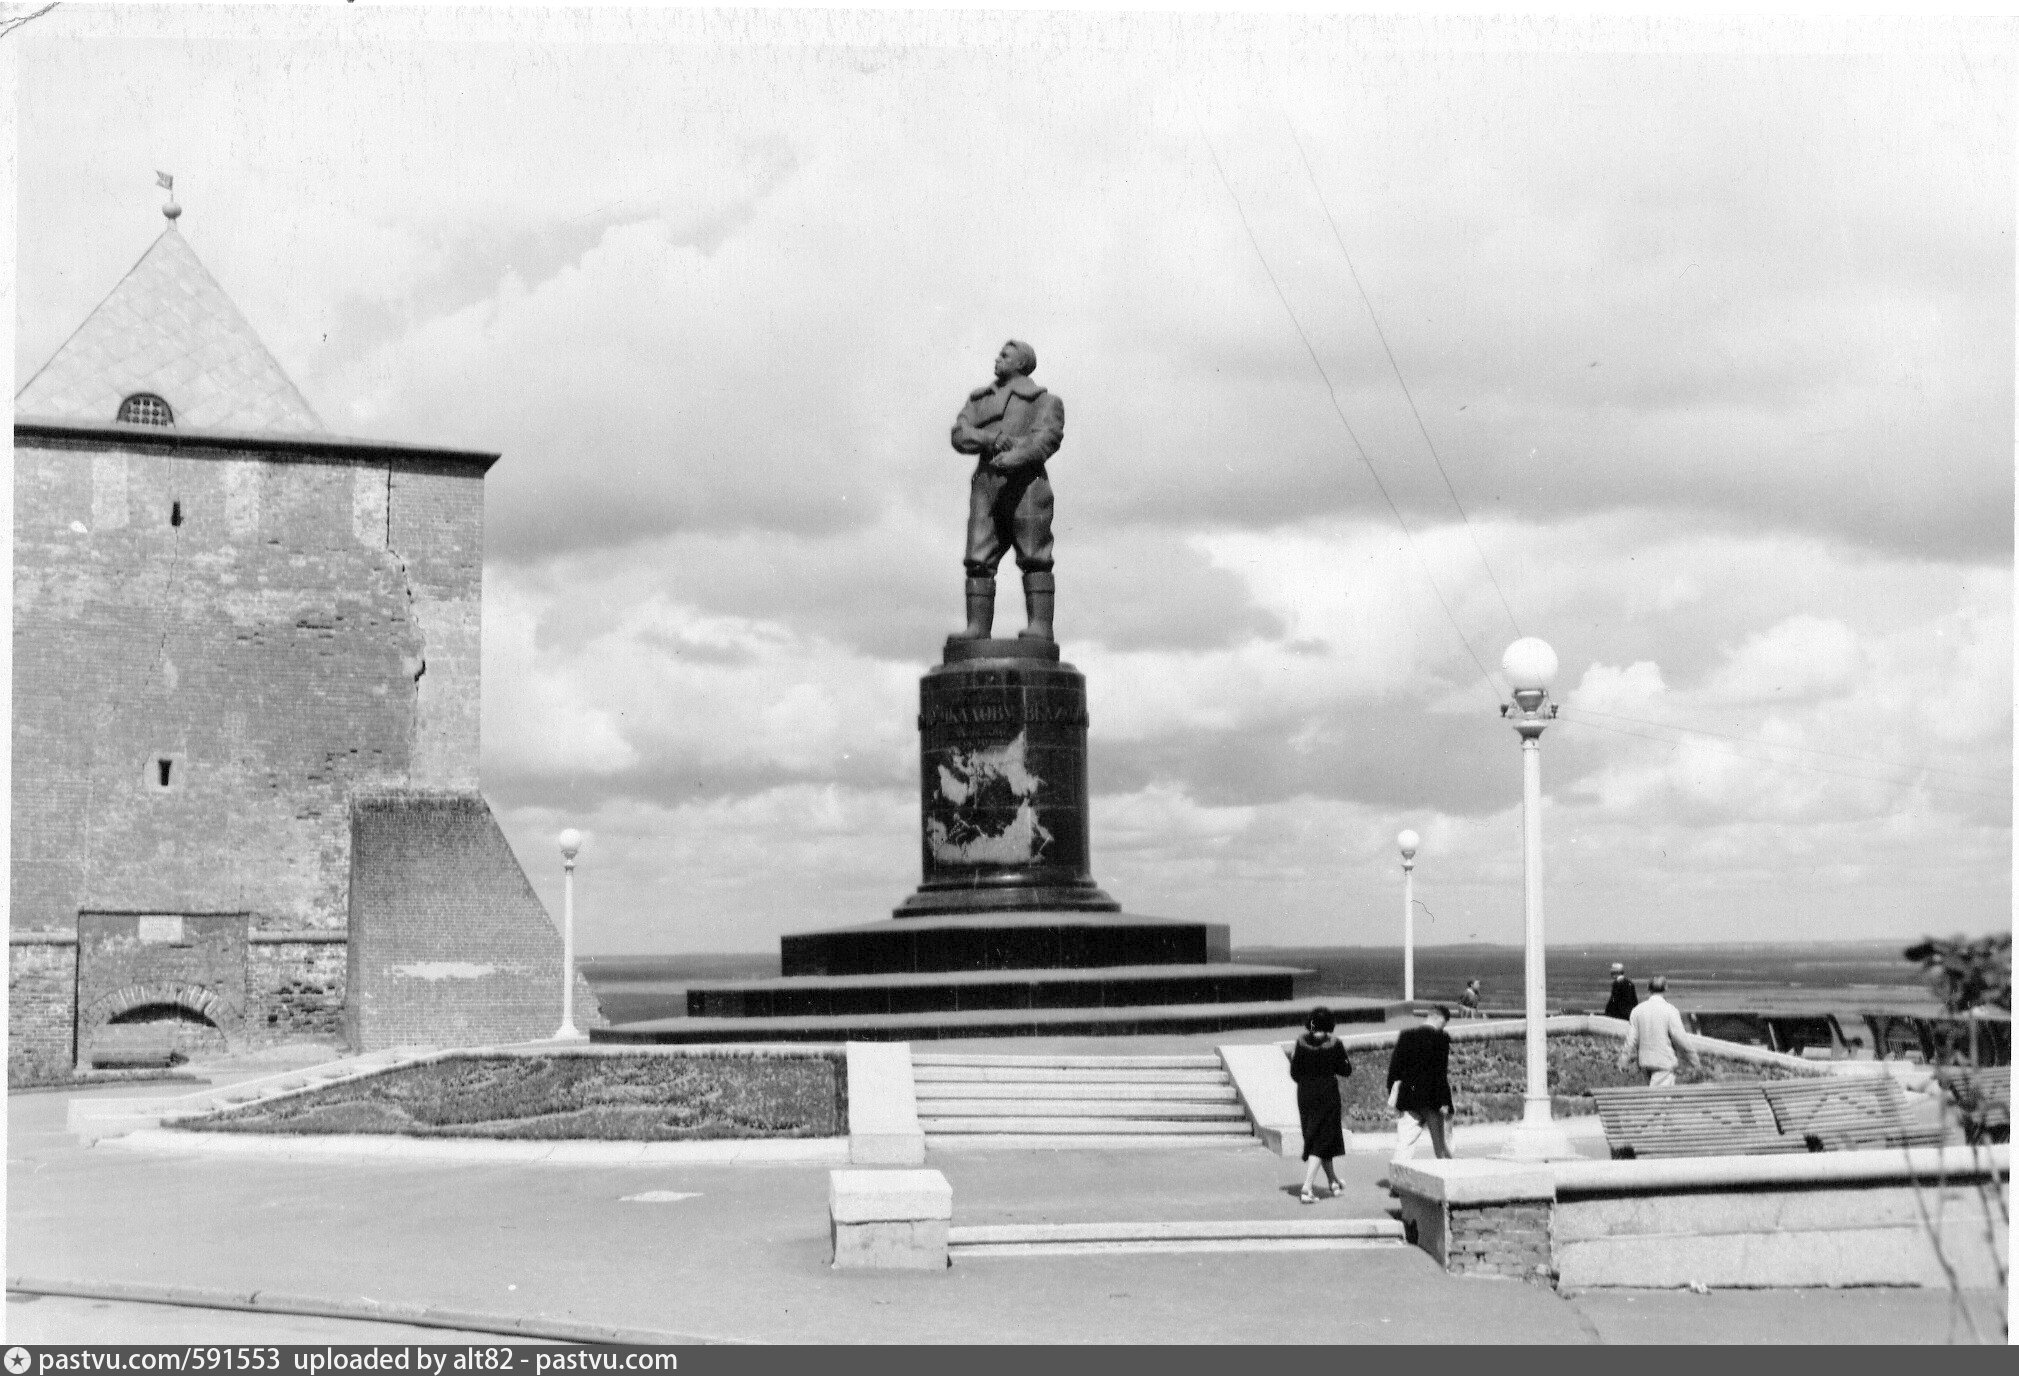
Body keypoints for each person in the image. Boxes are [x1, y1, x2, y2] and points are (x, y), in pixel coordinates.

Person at [949, 339, 1064, 643]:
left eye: (1005, 355)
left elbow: (1046, 439)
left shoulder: (1045, 401)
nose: (997, 358)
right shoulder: (980, 400)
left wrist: (1014, 458)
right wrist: (991, 440)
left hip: (1027, 486)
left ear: (1022, 363)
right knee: (977, 559)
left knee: (1035, 555)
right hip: (986, 488)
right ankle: (977, 629)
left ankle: (1040, 627)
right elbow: (960, 433)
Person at [1289, 1007, 1352, 1203]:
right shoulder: (1335, 1044)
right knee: (1321, 1139)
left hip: (1305, 1094)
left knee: (1318, 1137)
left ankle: (1333, 1181)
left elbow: (1294, 1073)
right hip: (1327, 1094)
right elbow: (1345, 1070)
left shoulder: (1300, 1042)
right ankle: (1307, 1188)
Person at [1387, 1003, 1456, 1163]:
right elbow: (1440, 1072)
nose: (1442, 1027)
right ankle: (1447, 1179)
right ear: (1439, 1018)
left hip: (1408, 1098)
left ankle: (1397, 1183)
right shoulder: (1441, 1038)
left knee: (1404, 1143)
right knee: (1441, 1146)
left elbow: (1394, 1070)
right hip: (1432, 1100)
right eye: (1443, 1023)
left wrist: (1394, 1095)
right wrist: (1446, 1102)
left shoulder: (1406, 1035)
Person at [1619, 975, 1701, 1087]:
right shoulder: (1670, 1010)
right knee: (1659, 1100)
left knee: (1652, 1096)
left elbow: (1631, 1040)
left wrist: (1624, 1059)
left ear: (1648, 988)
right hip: (1664, 1062)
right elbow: (1681, 1039)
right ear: (1666, 988)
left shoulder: (1637, 1011)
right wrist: (1695, 1061)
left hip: (1645, 1062)